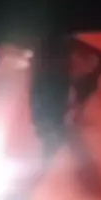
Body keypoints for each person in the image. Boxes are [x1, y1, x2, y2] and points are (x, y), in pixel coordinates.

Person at [29, 31, 71, 161]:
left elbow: (36, 97)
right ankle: (53, 38)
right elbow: (35, 97)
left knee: (53, 55)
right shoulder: (43, 124)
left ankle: (53, 38)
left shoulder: (48, 125)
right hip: (51, 81)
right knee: (53, 55)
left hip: (52, 81)